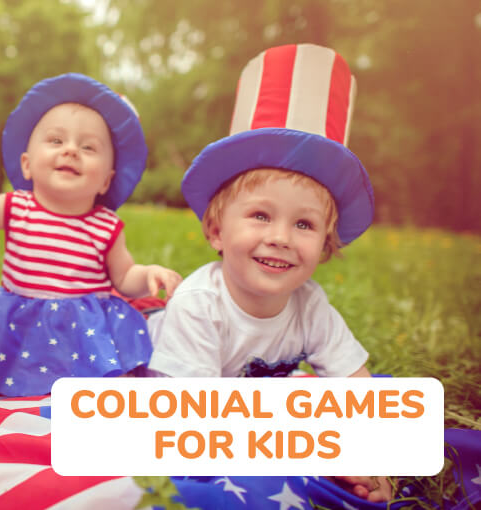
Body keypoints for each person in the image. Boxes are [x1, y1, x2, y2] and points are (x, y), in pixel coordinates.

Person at [146, 44, 391, 502]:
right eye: (260, 215)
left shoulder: (310, 303)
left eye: (303, 224)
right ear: (217, 231)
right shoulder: (200, 305)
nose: (280, 237)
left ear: (324, 246)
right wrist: (317, 445)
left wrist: (366, 453)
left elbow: (356, 384)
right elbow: (195, 426)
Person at [0, 73, 182, 397]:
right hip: (19, 323)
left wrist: (148, 274)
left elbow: (124, 276)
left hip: (82, 330)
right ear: (27, 165)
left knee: (118, 368)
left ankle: (115, 403)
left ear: (106, 180)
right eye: (56, 141)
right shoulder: (18, 207)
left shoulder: (105, 225)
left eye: (88, 147)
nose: (71, 150)